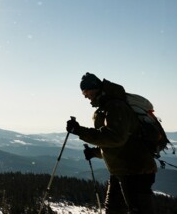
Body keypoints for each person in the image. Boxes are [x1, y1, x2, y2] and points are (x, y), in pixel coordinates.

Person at [66, 73, 157, 214]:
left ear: (95, 88)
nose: (85, 96)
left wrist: (79, 131)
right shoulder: (107, 107)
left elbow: (115, 138)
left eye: (86, 91)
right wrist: (95, 152)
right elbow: (119, 144)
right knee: (113, 210)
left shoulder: (115, 106)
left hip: (136, 171)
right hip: (122, 170)